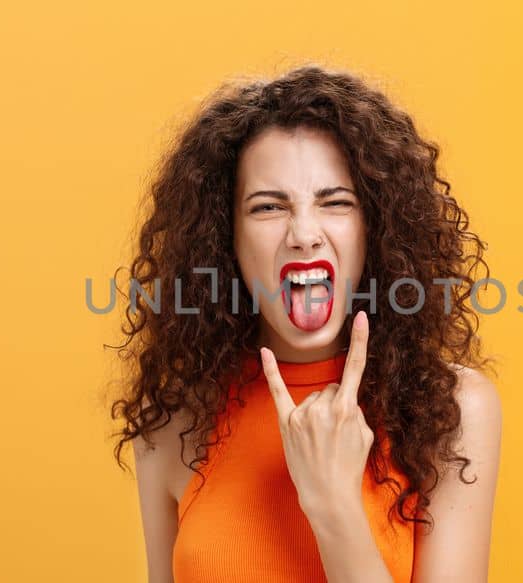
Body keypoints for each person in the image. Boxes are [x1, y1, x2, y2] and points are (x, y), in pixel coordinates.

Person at [110, 65, 502, 582]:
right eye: (268, 206)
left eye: (335, 202)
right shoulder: (175, 421)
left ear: (374, 227)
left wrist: (332, 503)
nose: (304, 233)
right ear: (224, 237)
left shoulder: (450, 412)